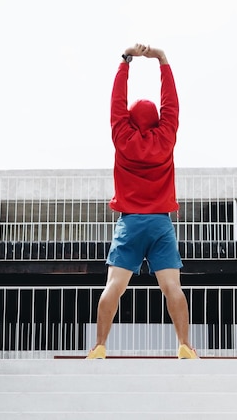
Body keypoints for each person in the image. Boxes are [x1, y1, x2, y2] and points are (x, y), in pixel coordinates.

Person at [86, 44, 198, 360]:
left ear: (130, 120)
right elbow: (171, 105)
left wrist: (126, 63)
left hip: (131, 222)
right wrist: (162, 61)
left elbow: (116, 104)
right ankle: (185, 347)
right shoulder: (166, 136)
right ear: (158, 120)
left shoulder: (122, 135)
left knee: (114, 287)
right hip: (160, 223)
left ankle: (99, 347)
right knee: (172, 288)